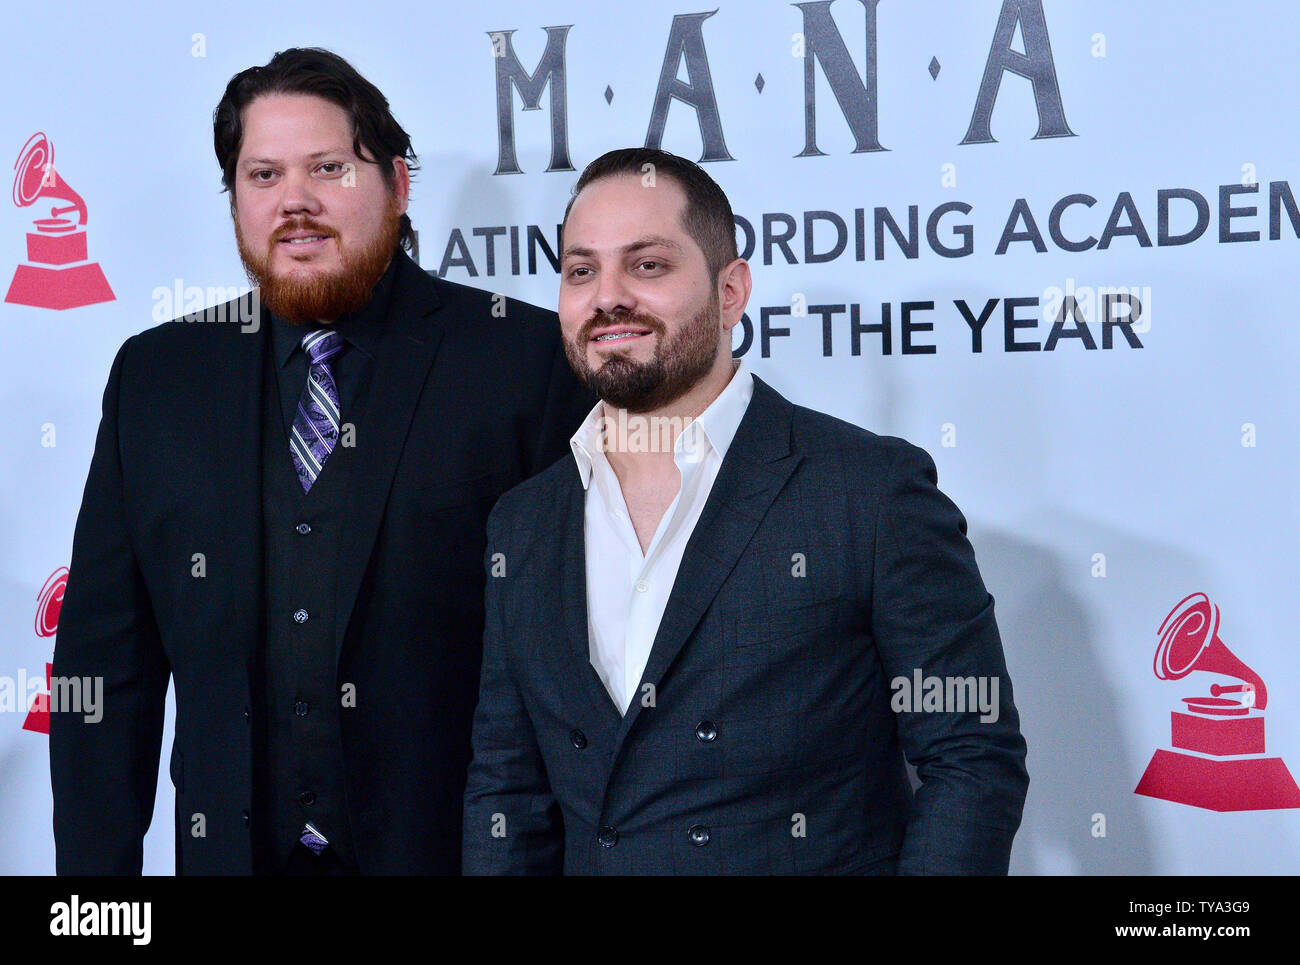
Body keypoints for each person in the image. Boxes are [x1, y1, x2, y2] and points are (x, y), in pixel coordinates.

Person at [49, 47, 593, 875]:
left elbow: (576, 666)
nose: (294, 201)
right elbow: (104, 676)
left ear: (399, 187)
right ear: (235, 202)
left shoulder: (521, 361)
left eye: (329, 168)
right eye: (262, 175)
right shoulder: (156, 379)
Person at [462, 148, 1029, 874]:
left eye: (647, 265)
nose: (607, 297)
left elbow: (971, 758)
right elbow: (506, 788)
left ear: (731, 291)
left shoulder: (869, 492)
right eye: (581, 271)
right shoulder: (523, 523)